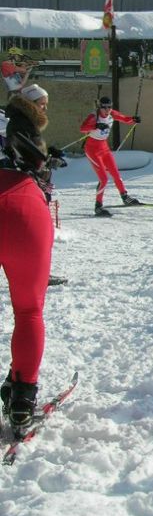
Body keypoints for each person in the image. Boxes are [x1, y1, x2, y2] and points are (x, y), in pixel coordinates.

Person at [1, 83, 63, 436]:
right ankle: (22, 400)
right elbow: (37, 165)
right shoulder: (23, 128)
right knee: (28, 311)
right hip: (24, 206)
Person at [79, 96, 141, 217]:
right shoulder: (94, 116)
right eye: (104, 107)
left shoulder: (112, 114)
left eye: (109, 107)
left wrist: (134, 119)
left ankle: (125, 197)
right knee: (104, 179)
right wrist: (96, 126)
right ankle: (98, 206)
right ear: (99, 107)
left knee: (116, 174)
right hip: (92, 150)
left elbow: (124, 118)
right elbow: (83, 128)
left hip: (104, 148)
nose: (107, 110)